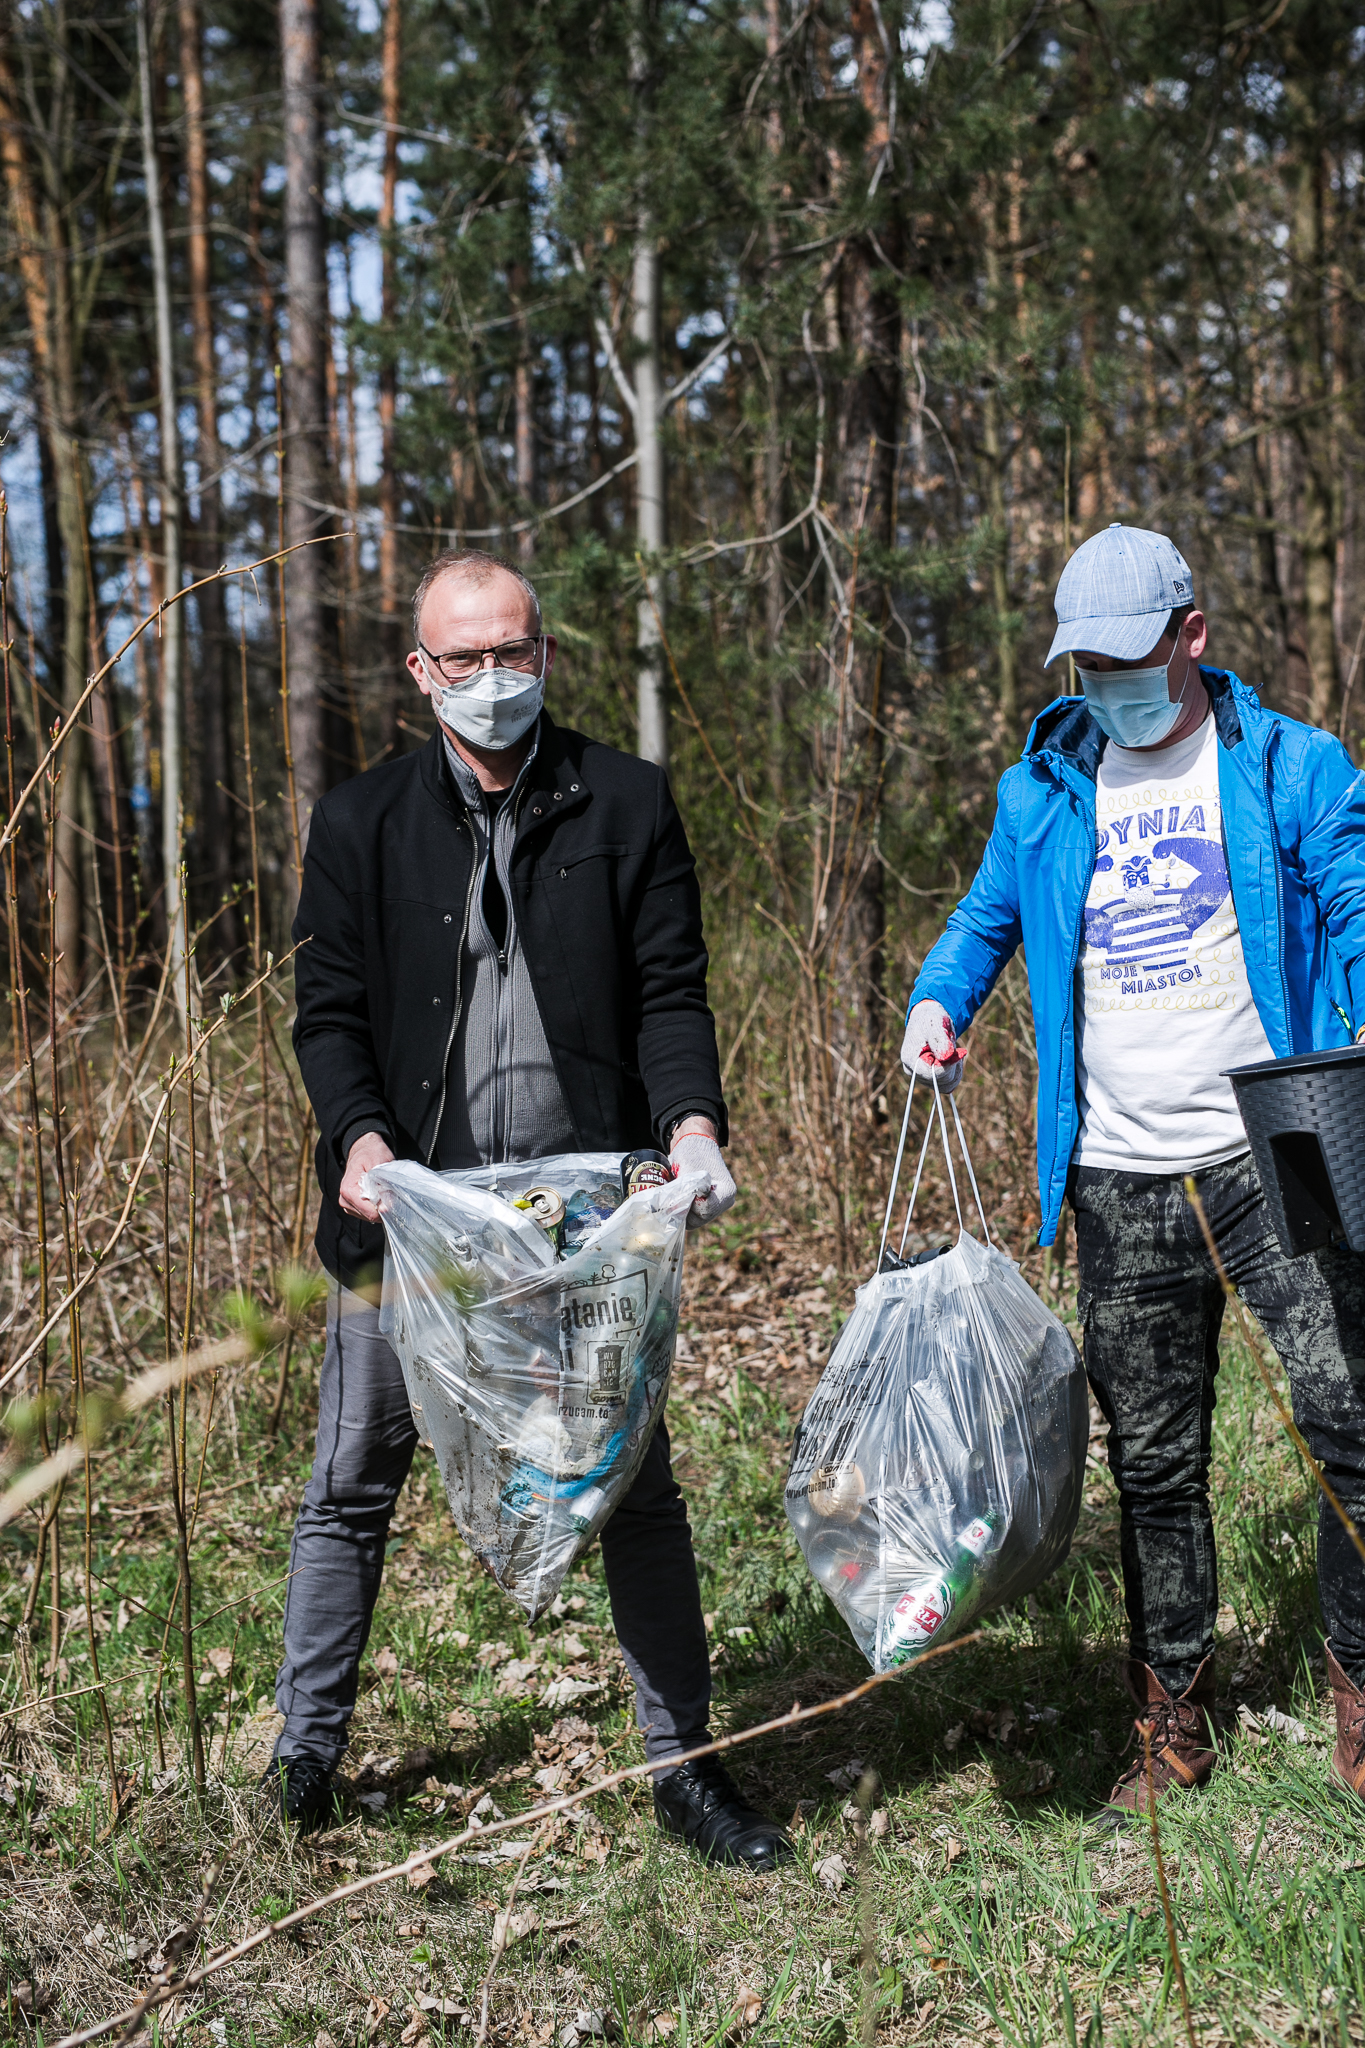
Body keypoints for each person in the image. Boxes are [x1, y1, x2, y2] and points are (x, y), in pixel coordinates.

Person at [263, 547, 792, 1870]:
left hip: (588, 1225)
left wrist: (691, 1129)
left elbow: (671, 992)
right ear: (419, 674)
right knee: (347, 1480)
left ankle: (685, 1771)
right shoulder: (361, 823)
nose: (491, 680)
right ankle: (302, 1761)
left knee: (636, 1491)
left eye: (513, 653)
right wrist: (363, 1141)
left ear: (545, 656)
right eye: (464, 659)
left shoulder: (624, 802)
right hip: (415, 1223)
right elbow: (325, 1017)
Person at [900, 524, 1365, 1818]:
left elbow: (1356, 888)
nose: (1104, 684)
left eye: (1126, 658)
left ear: (1191, 638)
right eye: (1082, 666)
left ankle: (1359, 1696)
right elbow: (984, 919)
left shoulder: (1284, 765)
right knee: (1155, 1470)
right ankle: (1170, 1722)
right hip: (1116, 1176)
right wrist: (940, 1000)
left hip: (1277, 1159)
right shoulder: (1043, 790)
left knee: (1349, 1435)